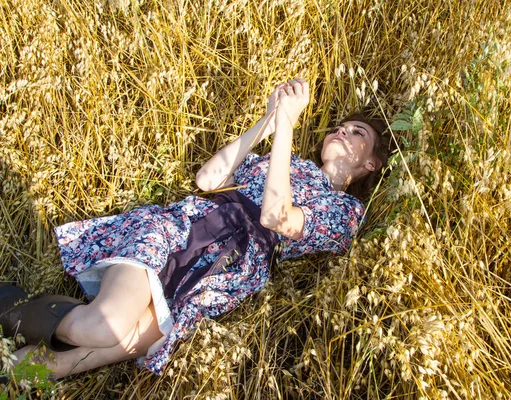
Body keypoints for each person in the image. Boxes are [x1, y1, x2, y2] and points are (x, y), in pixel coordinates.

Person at [0, 78, 388, 378]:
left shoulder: (346, 211)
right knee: (105, 328)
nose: (341, 131)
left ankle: (9, 367)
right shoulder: (285, 159)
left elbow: (275, 216)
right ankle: (9, 303)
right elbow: (208, 179)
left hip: (218, 278)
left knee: (74, 360)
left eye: (358, 133)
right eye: (339, 126)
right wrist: (270, 120)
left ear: (369, 164)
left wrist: (287, 122)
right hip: (182, 231)